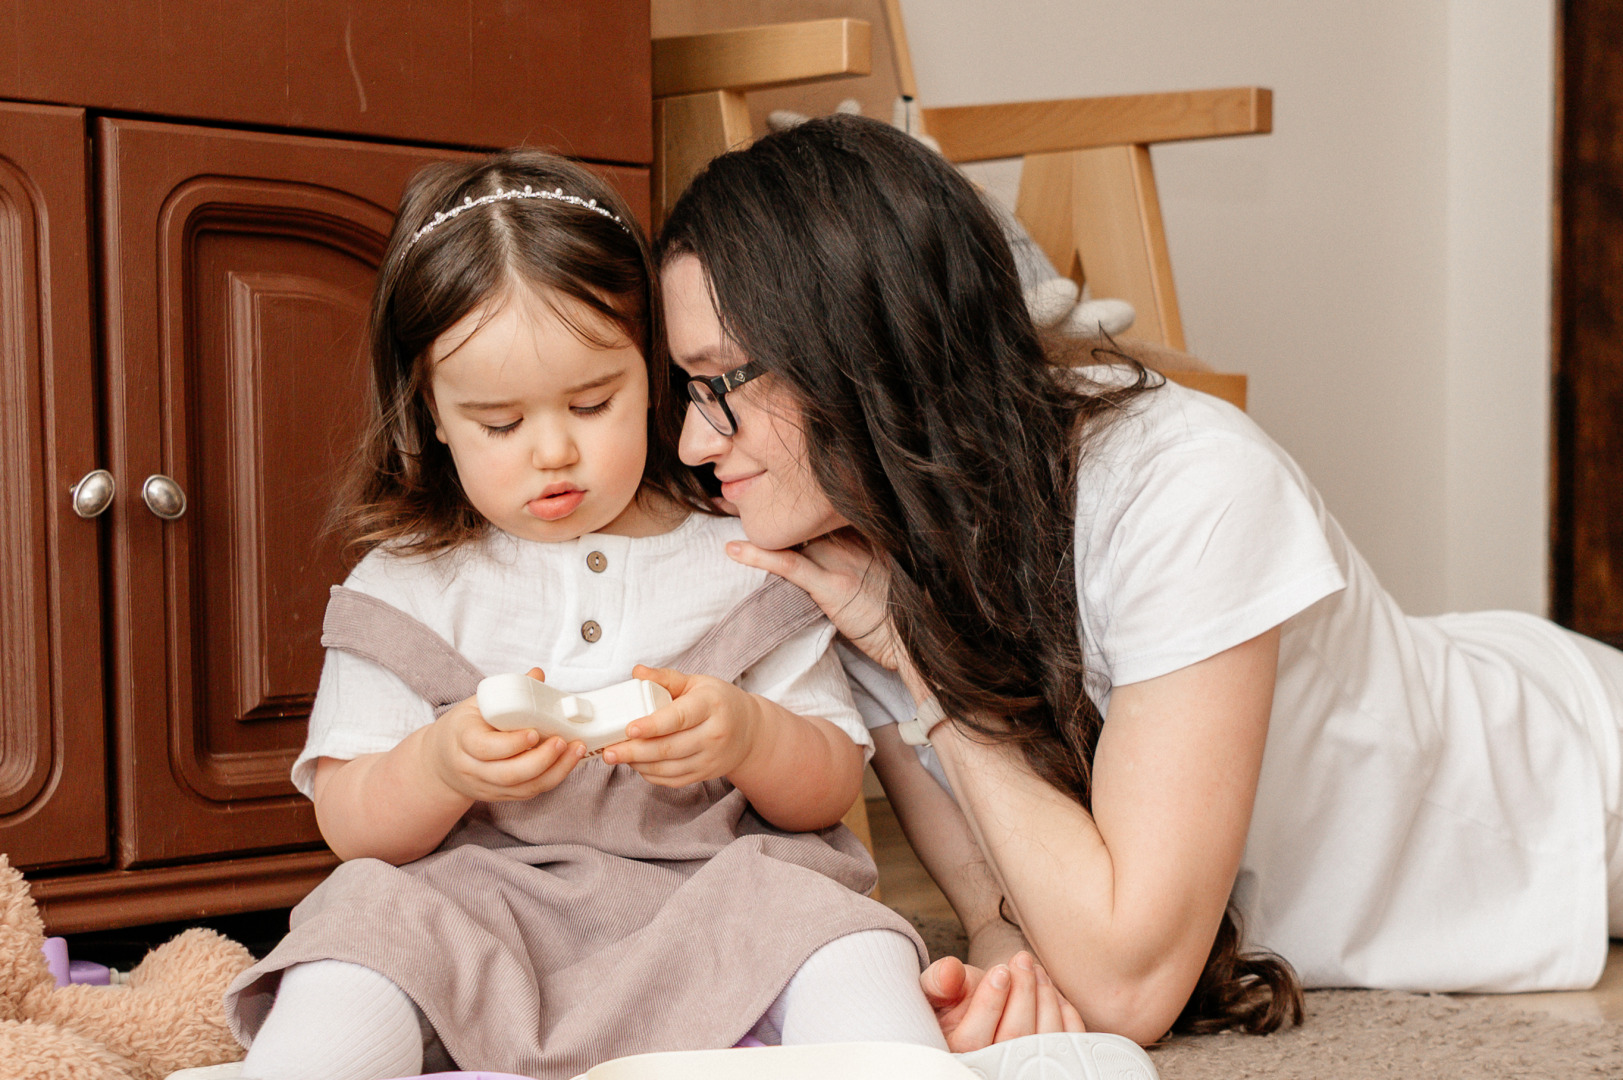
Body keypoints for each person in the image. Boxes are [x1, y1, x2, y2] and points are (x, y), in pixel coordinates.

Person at [655, 114, 1623, 1048]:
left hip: (1571, 781)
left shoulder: (1190, 482)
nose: (698, 442)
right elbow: (998, 902)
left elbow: (1127, 985)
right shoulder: (856, 548)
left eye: (721, 383)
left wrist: (922, 660)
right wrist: (1009, 963)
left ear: (859, 357)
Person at [220, 149, 961, 1080]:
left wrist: (743, 734)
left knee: (842, 929)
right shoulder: (405, 584)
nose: (554, 452)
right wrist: (441, 761)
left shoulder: (738, 552)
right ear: (432, 413)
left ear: (651, 373)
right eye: (499, 423)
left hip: (715, 898)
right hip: (479, 912)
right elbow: (352, 823)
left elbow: (825, 792)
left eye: (592, 400)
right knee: (361, 923)